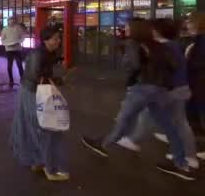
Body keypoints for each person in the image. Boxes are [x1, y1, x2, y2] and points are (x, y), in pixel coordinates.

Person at [82, 19, 195, 181]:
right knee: (169, 126)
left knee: (124, 119)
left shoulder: (133, 44)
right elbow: (174, 65)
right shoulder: (159, 45)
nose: (125, 29)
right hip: (159, 90)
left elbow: (133, 66)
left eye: (127, 26)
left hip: (141, 88)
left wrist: (128, 61)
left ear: (135, 30)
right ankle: (180, 163)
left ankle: (103, 144)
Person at [116, 19, 199, 168]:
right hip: (180, 88)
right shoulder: (174, 45)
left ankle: (133, 140)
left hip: (169, 90)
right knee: (178, 121)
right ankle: (189, 155)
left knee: (148, 115)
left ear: (156, 31)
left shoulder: (162, 47)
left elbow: (152, 70)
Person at [10, 26, 68, 181]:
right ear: (46, 40)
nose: (58, 40)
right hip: (32, 93)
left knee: (37, 128)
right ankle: (49, 168)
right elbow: (36, 77)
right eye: (55, 38)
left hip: (37, 92)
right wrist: (58, 80)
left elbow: (42, 76)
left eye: (58, 37)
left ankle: (38, 161)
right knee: (44, 128)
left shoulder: (50, 53)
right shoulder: (38, 54)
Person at [185, 13, 205, 142]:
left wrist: (187, 62)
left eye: (189, 22)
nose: (187, 25)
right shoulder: (197, 40)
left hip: (200, 83)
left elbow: (199, 62)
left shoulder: (201, 41)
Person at [1, 18, 26, 89]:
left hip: (17, 49)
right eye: (10, 20)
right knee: (9, 65)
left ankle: (23, 79)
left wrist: (19, 41)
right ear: (8, 21)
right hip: (9, 49)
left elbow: (23, 36)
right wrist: (6, 44)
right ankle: (11, 80)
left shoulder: (18, 28)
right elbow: (2, 39)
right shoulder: (5, 29)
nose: (11, 21)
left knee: (19, 65)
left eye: (13, 20)